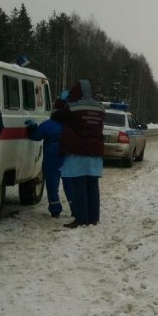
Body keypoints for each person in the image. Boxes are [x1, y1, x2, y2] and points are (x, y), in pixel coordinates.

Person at [53, 80, 104, 228]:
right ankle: (93, 218)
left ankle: (81, 219)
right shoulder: (100, 108)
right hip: (95, 152)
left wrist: (61, 100)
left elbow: (55, 116)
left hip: (78, 151)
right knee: (92, 186)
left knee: (79, 186)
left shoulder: (72, 107)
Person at [25, 93, 70, 217]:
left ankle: (55, 209)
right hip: (68, 157)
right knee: (70, 185)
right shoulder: (70, 125)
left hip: (51, 158)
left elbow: (35, 136)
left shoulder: (48, 124)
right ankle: (75, 208)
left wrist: (32, 128)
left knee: (52, 186)